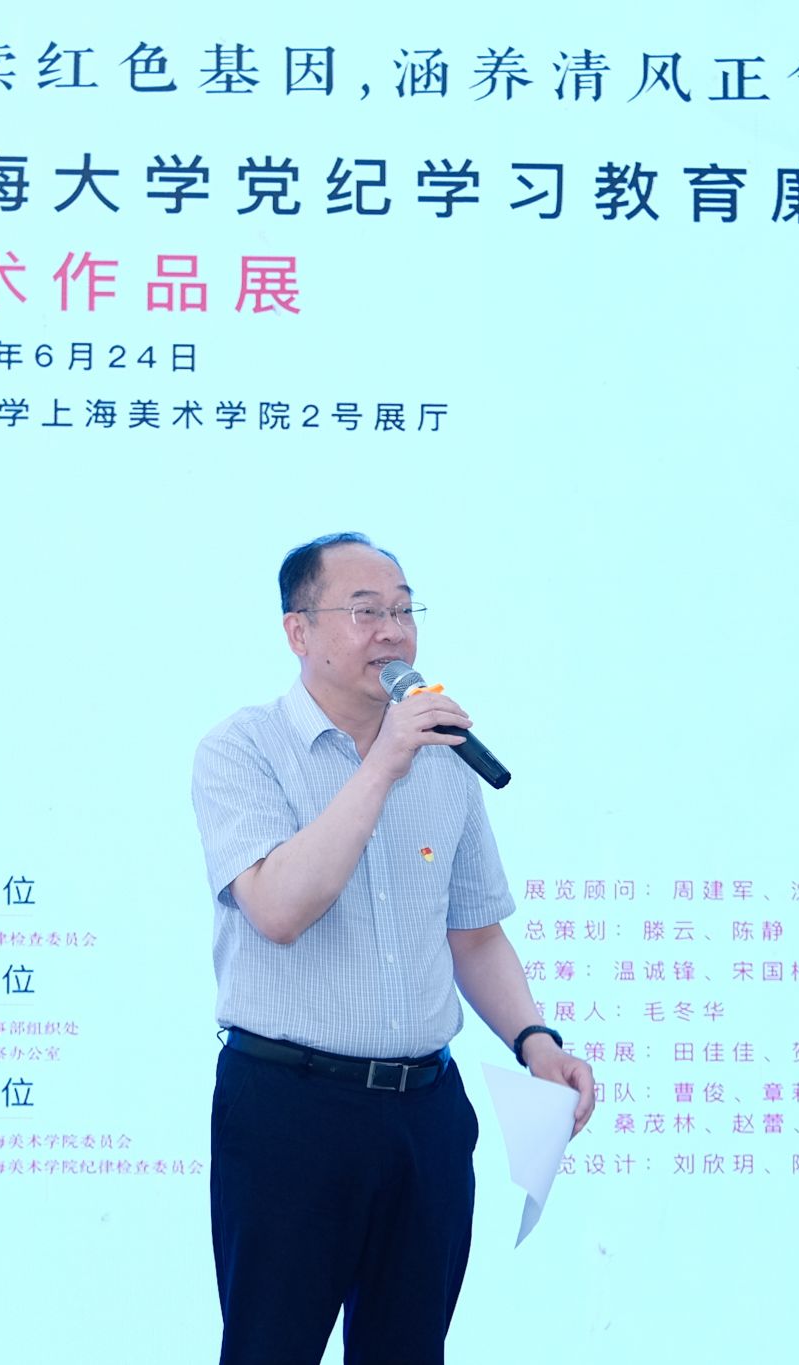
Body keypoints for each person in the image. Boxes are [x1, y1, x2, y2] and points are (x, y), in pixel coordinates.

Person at [190, 532, 596, 1365]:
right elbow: (278, 908)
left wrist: (535, 1040)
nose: (394, 630)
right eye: (366, 610)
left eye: (406, 610)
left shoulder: (442, 760)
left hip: (424, 1114)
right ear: (298, 630)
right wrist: (382, 762)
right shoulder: (243, 749)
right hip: (290, 1111)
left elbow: (473, 932)